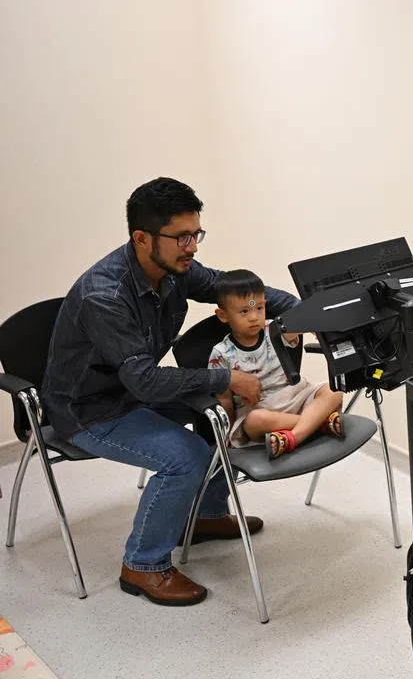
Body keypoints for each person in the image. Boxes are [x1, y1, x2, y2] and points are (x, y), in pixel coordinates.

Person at [41, 177, 300, 607]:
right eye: (182, 237)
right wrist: (224, 378)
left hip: (133, 387)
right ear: (142, 238)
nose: (193, 246)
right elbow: (143, 380)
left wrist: (297, 310)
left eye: (196, 234)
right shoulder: (103, 296)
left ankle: (203, 519)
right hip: (90, 409)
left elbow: (229, 288)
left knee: (219, 413)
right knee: (187, 456)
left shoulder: (175, 269)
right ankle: (142, 564)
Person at [208, 269, 345, 459]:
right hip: (262, 410)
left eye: (259, 308)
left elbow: (301, 321)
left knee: (335, 389)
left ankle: (295, 436)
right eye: (244, 311)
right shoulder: (221, 354)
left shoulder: (275, 329)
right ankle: (318, 423)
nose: (254, 317)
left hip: (296, 396)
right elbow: (224, 399)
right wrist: (227, 432)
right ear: (223, 315)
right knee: (255, 421)